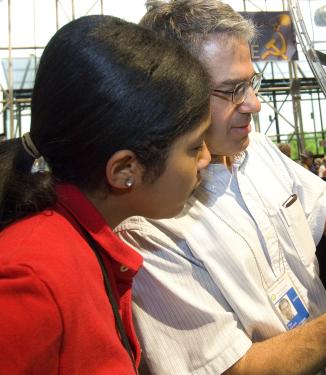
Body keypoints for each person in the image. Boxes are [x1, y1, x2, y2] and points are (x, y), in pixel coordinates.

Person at [116, 1, 326, 374]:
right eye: (233, 91)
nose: (255, 104)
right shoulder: (146, 229)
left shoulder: (255, 147)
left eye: (250, 83)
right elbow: (233, 369)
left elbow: (318, 205)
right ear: (173, 95)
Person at [0, 15, 211, 374]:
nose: (207, 158)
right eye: (193, 147)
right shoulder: (30, 281)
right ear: (125, 171)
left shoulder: (79, 242)